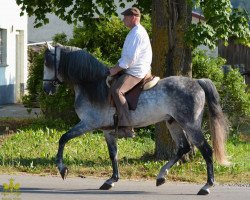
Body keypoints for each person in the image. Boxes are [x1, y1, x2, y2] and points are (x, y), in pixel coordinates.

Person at [109, 7, 152, 138]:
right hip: (133, 68)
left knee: (117, 91)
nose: (123, 20)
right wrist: (115, 67)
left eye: (125, 18)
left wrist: (115, 70)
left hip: (136, 71)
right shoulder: (134, 32)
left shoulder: (137, 33)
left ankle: (127, 128)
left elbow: (129, 59)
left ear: (133, 17)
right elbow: (126, 57)